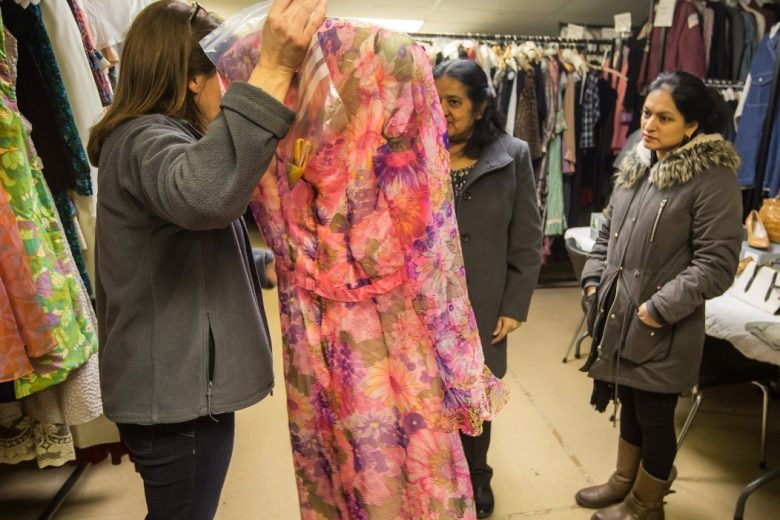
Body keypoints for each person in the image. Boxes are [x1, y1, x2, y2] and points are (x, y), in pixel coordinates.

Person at [86, 1, 326, 519]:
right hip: (177, 399)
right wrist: (273, 67)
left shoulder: (162, 141)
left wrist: (268, 257)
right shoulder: (145, 138)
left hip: (180, 388)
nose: (234, 82)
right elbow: (205, 198)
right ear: (195, 79)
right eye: (228, 70)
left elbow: (185, 243)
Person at [575, 71, 743, 520]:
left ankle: (646, 503)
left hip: (662, 325)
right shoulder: (638, 164)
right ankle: (623, 482)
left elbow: (717, 264)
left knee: (654, 411)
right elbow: (607, 230)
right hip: (618, 315)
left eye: (664, 117)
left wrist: (657, 309)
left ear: (691, 126)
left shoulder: (712, 178)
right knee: (628, 399)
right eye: (647, 113)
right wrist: (593, 281)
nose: (648, 124)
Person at [434, 59, 543, 519]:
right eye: (435, 99)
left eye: (454, 101)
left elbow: (528, 236)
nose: (442, 110)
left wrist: (514, 305)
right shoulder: (418, 150)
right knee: (429, 391)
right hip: (427, 299)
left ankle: (477, 475)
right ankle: (436, 472)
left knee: (474, 394)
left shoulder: (512, 154)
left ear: (480, 107)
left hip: (481, 299)